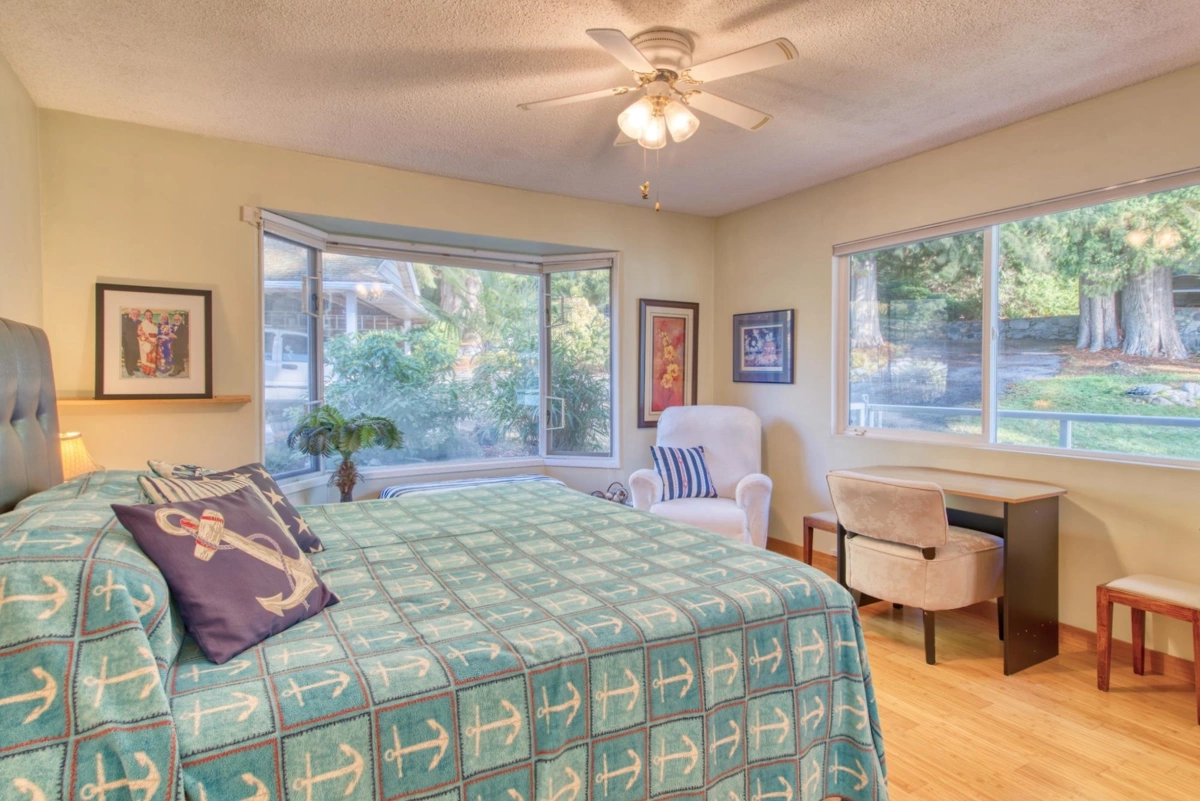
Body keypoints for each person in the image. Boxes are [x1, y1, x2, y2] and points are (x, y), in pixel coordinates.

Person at [137, 310, 159, 375]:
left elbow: (157, 334)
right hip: (147, 342)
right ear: (144, 316)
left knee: (153, 357)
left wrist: (156, 341)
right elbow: (140, 334)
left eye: (150, 315)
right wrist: (150, 342)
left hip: (154, 342)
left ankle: (152, 371)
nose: (148, 316)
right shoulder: (141, 324)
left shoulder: (154, 324)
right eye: (147, 315)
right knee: (146, 356)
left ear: (152, 316)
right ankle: (146, 370)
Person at [121, 308, 141, 376]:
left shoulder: (140, 322)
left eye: (137, 314)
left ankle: (134, 366)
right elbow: (123, 332)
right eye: (134, 313)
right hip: (127, 342)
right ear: (130, 313)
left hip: (137, 342)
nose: (135, 315)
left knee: (135, 355)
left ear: (139, 315)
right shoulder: (125, 320)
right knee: (128, 356)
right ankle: (129, 370)